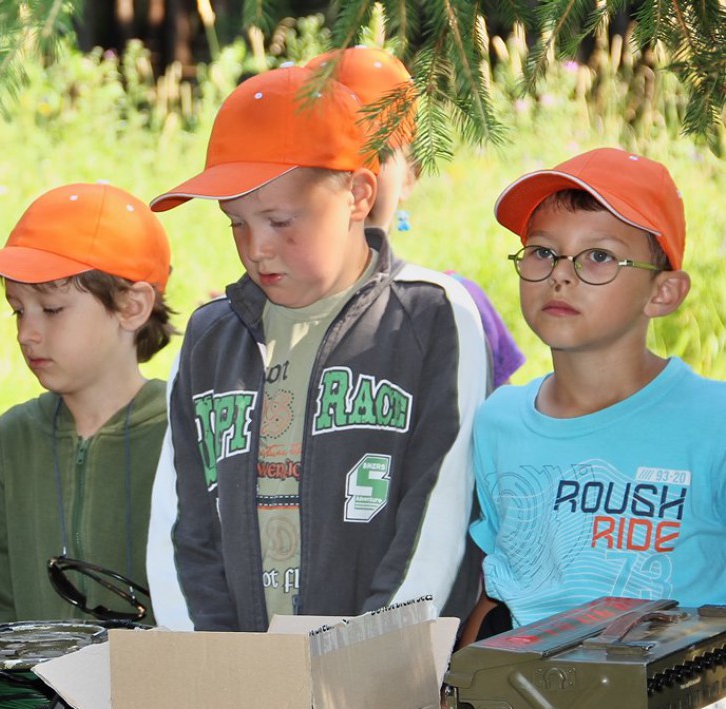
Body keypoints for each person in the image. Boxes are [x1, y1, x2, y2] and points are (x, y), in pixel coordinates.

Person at [148, 64, 488, 631]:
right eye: (236, 223)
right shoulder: (210, 339)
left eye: (281, 221)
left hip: (380, 667)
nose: (257, 248)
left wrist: (365, 662)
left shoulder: (429, 317)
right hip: (233, 670)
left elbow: (439, 518)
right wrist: (213, 663)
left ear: (358, 194)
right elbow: (182, 528)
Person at [0, 181, 176, 709]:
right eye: (17, 311)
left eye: (51, 309)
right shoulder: (7, 443)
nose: (28, 333)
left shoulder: (186, 434)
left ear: (132, 306)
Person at [464, 147, 725, 642]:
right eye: (543, 251)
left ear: (664, 292)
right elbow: (499, 588)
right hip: (522, 686)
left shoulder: (714, 422)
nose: (560, 274)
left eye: (599, 256)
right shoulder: (500, 421)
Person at [306, 45, 525, 389]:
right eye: (326, 158)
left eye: (373, 153)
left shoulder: (454, 307)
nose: (352, 177)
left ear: (410, 175)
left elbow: (496, 419)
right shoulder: (256, 320)